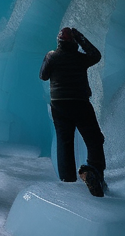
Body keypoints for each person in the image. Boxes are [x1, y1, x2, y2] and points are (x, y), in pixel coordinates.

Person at [40, 25, 106, 196]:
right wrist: (81, 38)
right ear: (74, 43)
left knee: (64, 141)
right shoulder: (80, 58)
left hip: (59, 104)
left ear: (59, 41)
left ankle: (67, 180)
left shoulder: (51, 56)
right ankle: (95, 171)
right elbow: (96, 55)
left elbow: (43, 75)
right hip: (79, 103)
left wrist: (49, 58)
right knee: (94, 139)